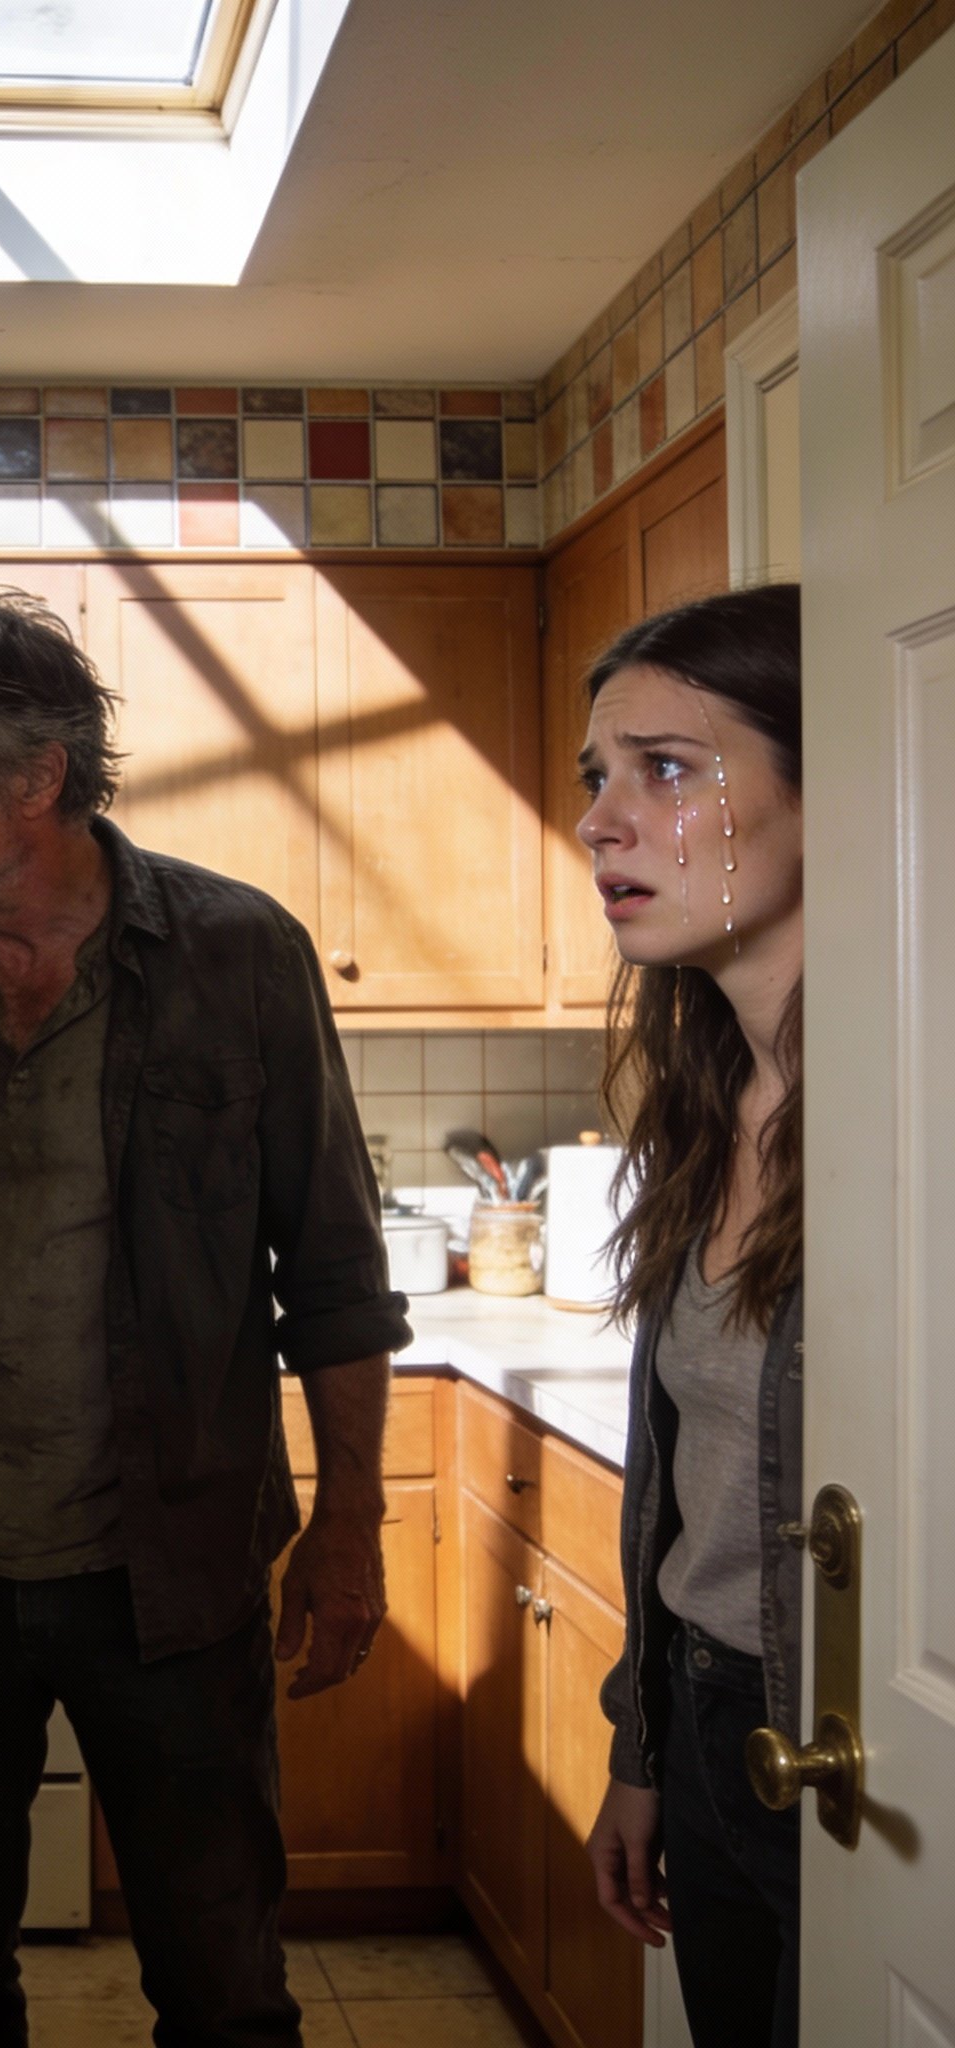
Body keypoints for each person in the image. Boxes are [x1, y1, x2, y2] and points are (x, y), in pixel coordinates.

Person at [0, 587, 410, 2048]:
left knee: (225, 1989)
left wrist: (352, 1522)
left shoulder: (238, 955)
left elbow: (334, 1270)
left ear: (36, 778)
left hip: (173, 1570)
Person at [576, 586, 805, 2048]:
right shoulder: (707, 1107)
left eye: (663, 769)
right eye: (596, 777)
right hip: (712, 1723)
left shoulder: (914, 1119)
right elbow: (688, 1499)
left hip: (849, 1743)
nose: (598, 821)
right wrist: (643, 1746)